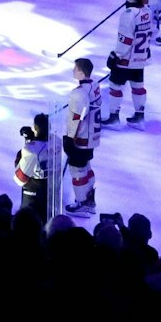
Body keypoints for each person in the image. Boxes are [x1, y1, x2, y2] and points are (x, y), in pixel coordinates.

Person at [105, 0, 152, 125]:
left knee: (115, 86)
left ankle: (114, 118)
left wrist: (116, 55)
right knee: (138, 87)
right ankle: (139, 117)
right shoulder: (147, 12)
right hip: (141, 58)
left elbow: (125, 39)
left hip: (126, 59)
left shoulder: (128, 15)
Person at [63, 56, 102, 214]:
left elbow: (77, 119)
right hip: (93, 136)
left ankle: (81, 203)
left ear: (81, 73)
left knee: (77, 171)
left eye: (75, 69)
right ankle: (89, 200)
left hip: (81, 139)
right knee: (86, 167)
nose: (73, 71)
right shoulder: (95, 86)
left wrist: (69, 139)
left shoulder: (78, 94)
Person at [12, 112, 49, 213]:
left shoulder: (30, 151)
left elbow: (20, 179)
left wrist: (21, 154)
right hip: (50, 191)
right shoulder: (57, 142)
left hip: (33, 197)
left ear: (36, 128)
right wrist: (33, 139)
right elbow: (43, 147)